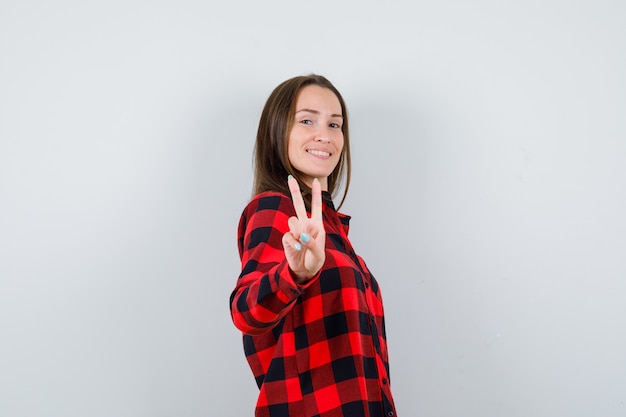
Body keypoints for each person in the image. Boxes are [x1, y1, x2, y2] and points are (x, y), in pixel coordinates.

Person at [230, 74, 397, 417]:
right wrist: (294, 274)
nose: (326, 135)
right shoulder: (274, 210)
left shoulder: (328, 230)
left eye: (335, 124)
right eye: (307, 120)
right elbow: (245, 311)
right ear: (278, 131)